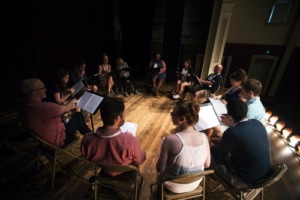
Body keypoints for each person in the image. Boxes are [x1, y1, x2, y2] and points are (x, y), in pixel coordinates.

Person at [210, 98, 271, 188]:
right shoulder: (257, 123)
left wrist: (207, 142)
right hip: (265, 175)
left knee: (208, 154)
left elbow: (217, 153)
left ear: (230, 116)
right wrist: (231, 125)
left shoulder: (233, 133)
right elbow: (240, 134)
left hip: (244, 181)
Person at [155, 100, 211, 194]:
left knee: (159, 177)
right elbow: (207, 165)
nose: (171, 115)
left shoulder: (170, 140)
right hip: (195, 183)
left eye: (173, 113)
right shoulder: (204, 137)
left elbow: (160, 169)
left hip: (174, 185)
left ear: (182, 119)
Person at [81, 97, 146, 176]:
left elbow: (87, 157)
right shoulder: (130, 141)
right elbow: (140, 160)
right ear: (117, 118)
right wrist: (141, 151)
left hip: (104, 172)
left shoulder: (87, 139)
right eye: (124, 115)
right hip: (126, 174)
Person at [18, 78, 92, 147]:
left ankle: (91, 137)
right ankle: (93, 139)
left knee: (78, 121)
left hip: (45, 144)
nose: (45, 90)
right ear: (34, 93)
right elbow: (65, 108)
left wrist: (69, 107)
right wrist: (72, 101)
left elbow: (57, 112)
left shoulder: (23, 109)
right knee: (78, 116)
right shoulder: (44, 107)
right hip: (59, 141)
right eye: (42, 88)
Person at [204, 69, 248, 141]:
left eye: (232, 81)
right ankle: (206, 137)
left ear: (239, 82)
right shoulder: (232, 87)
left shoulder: (241, 93)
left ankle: (207, 139)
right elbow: (223, 95)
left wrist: (227, 103)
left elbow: (238, 108)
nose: (230, 82)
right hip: (221, 107)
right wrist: (215, 97)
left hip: (228, 112)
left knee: (211, 119)